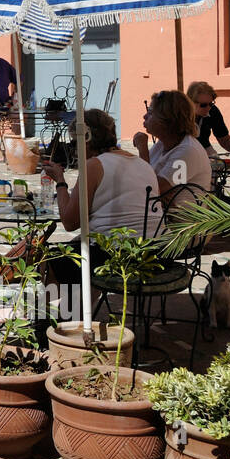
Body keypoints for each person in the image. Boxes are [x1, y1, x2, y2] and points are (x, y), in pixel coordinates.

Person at [41, 110, 162, 319]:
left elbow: (70, 222)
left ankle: (40, 319)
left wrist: (60, 181)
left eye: (74, 142)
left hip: (119, 256)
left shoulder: (95, 166)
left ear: (86, 138)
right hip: (154, 251)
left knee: (48, 261)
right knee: (83, 247)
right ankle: (71, 318)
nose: (74, 148)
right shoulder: (142, 163)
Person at [132, 89, 212, 202]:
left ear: (168, 120)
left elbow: (150, 190)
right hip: (159, 214)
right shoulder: (163, 144)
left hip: (180, 219)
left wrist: (143, 150)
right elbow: (142, 182)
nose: (144, 116)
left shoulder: (188, 151)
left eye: (150, 112)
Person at [186, 81, 230, 156]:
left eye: (211, 103)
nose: (208, 108)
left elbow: (224, 138)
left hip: (205, 147)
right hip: (184, 151)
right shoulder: (181, 115)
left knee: (217, 164)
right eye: (203, 105)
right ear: (191, 102)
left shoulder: (213, 110)